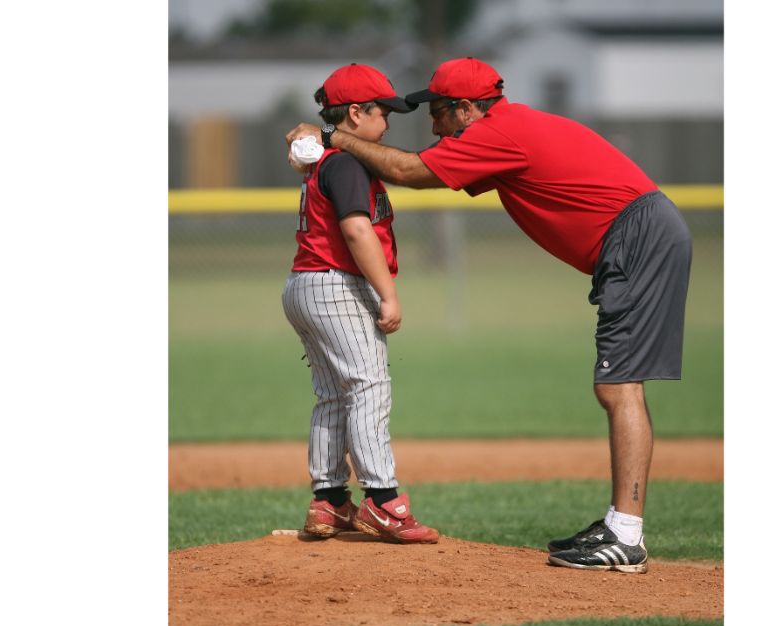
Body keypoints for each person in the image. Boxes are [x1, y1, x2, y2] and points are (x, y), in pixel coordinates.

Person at [285, 57, 692, 572]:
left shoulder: (499, 132)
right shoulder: (508, 128)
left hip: (638, 238)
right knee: (617, 384)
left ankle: (625, 534)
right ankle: (620, 525)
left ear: (469, 109)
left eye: (439, 112)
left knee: (619, 385)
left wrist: (333, 139)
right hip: (638, 236)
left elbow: (411, 169)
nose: (433, 125)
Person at [282, 63, 439, 545]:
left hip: (304, 284)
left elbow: (304, 148)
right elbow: (356, 229)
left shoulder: (328, 160)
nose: (388, 122)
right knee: (369, 386)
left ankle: (329, 501)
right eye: (382, 112)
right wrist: (388, 294)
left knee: (333, 394)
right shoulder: (347, 163)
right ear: (355, 113)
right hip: (336, 284)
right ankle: (382, 501)